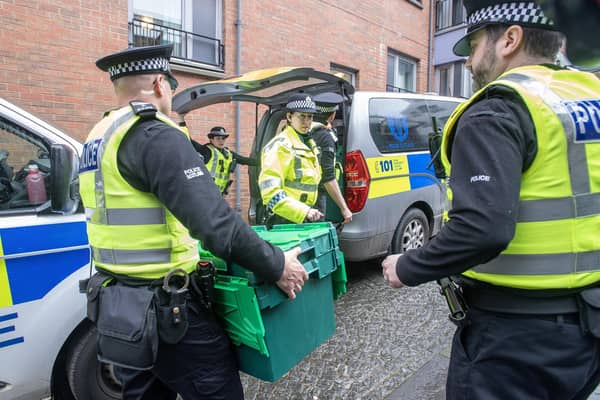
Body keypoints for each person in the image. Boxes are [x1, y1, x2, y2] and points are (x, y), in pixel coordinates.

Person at [381, 1, 600, 398]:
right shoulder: (587, 93)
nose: (466, 62)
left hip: (516, 339)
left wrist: (407, 266)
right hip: (586, 329)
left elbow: (483, 227)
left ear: (509, 40)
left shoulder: (498, 109)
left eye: (474, 44)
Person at [79, 44, 308, 399]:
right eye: (170, 84)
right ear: (159, 84)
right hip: (167, 310)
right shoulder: (154, 134)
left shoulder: (98, 137)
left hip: (118, 306)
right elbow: (216, 224)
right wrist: (278, 264)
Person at [258, 93, 324, 225]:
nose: (307, 122)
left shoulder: (308, 143)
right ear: (289, 117)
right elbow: (270, 192)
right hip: (284, 218)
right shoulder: (281, 145)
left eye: (310, 117)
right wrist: (303, 211)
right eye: (302, 116)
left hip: (304, 215)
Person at [178, 119, 258, 195]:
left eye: (223, 138)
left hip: (219, 194)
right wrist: (181, 120)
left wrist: (266, 162)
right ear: (211, 139)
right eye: (218, 138)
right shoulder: (207, 150)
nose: (221, 141)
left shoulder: (229, 154)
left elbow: (246, 160)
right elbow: (188, 140)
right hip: (205, 193)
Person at [310, 92, 352, 224]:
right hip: (315, 199)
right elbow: (327, 177)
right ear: (332, 115)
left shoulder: (298, 131)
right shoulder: (325, 137)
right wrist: (344, 208)